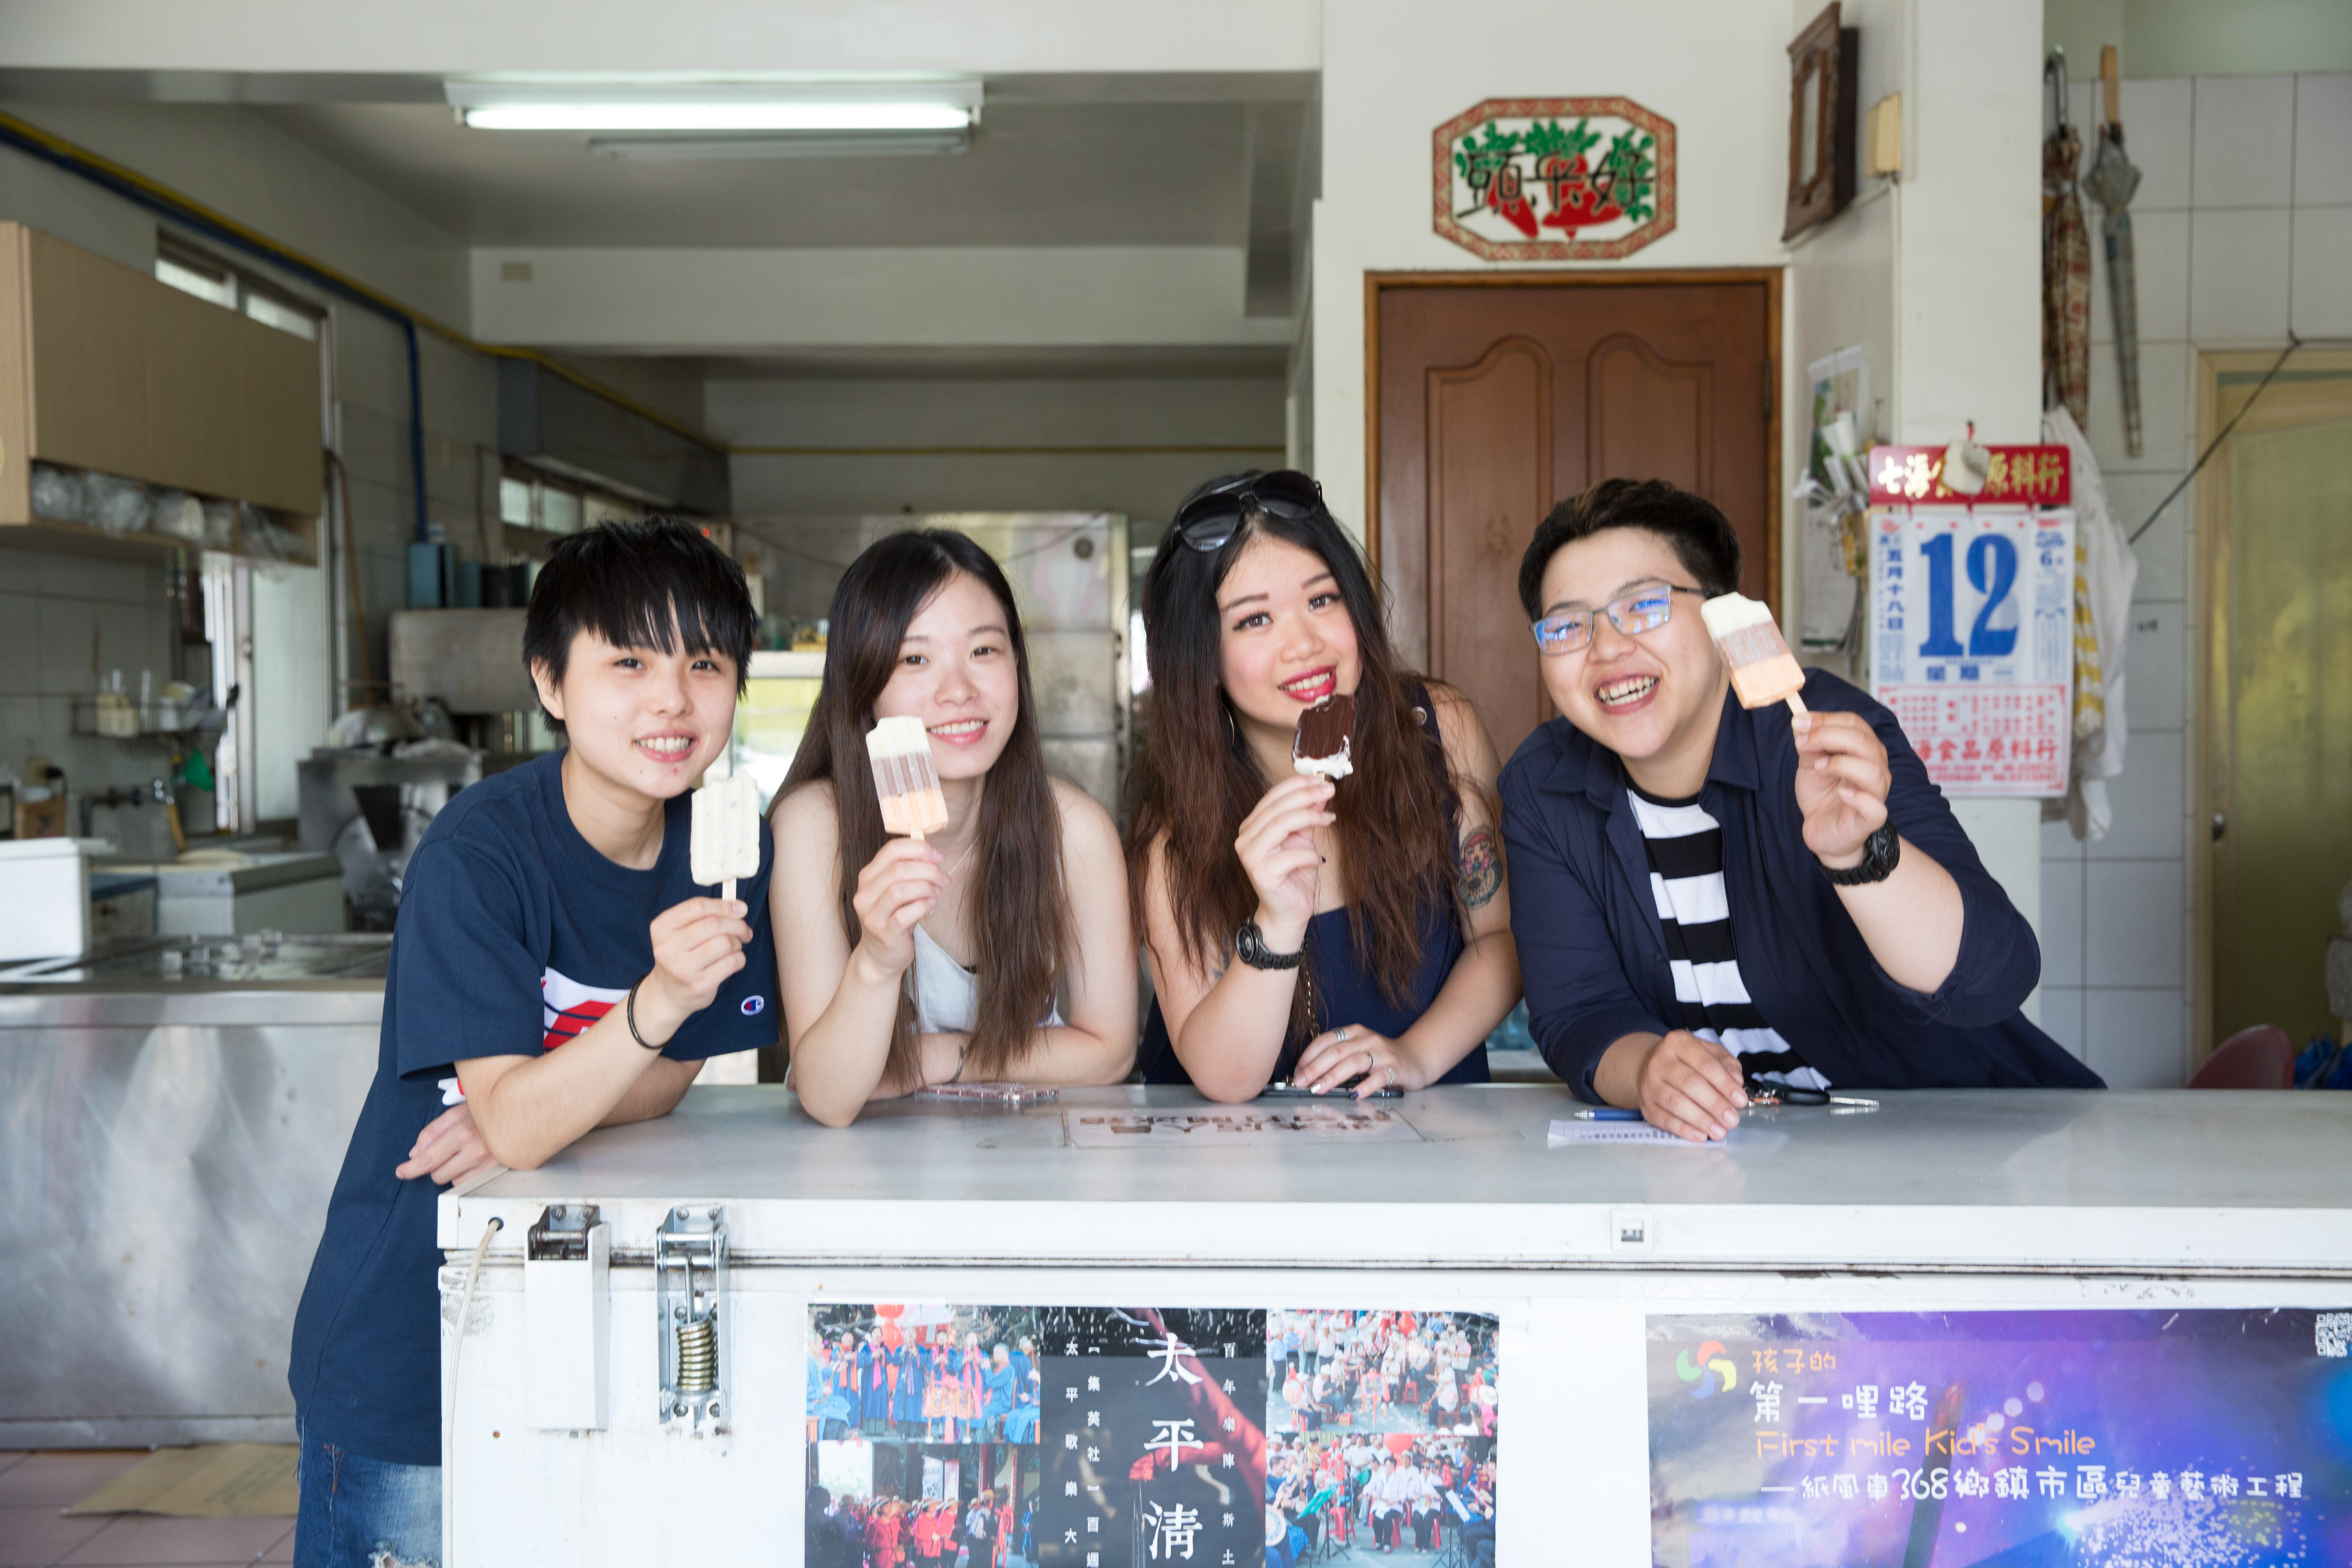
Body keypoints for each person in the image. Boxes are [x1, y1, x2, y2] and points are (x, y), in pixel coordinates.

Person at [287, 519, 776, 1566]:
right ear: (551, 683)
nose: (672, 700)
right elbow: (521, 1113)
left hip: (575, 1335)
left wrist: (540, 1109)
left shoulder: (726, 849)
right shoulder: (479, 856)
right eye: (629, 662)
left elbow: (662, 1088)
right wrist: (634, 1020)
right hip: (413, 1342)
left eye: (704, 662)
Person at [1502, 479, 2103, 1141]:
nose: (1607, 648)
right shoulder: (1544, 787)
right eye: (1567, 626)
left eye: (1643, 606)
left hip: (1969, 1144)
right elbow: (1580, 1010)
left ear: (1722, 617)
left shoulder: (1821, 737)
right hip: (1751, 1163)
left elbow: (1996, 975)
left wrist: (1860, 858)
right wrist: (1647, 1069)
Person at [1127, 470, 1520, 1100]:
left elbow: (1498, 941)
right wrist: (1278, 922)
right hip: (1244, 1172)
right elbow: (1225, 1078)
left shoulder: (1439, 734)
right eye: (1254, 620)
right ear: (1201, 658)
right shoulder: (1175, 837)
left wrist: (1414, 1057)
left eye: (1322, 600)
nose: (1305, 644)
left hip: (1435, 1147)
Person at [773, 529, 1136, 1126]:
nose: (959, 692)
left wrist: (939, 1056)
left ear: (1018, 664)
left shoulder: (1075, 833)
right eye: (914, 659)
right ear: (863, 687)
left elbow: (1110, 1051)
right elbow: (830, 1096)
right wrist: (878, 962)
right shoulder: (816, 830)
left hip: (1029, 1167)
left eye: (984, 651)